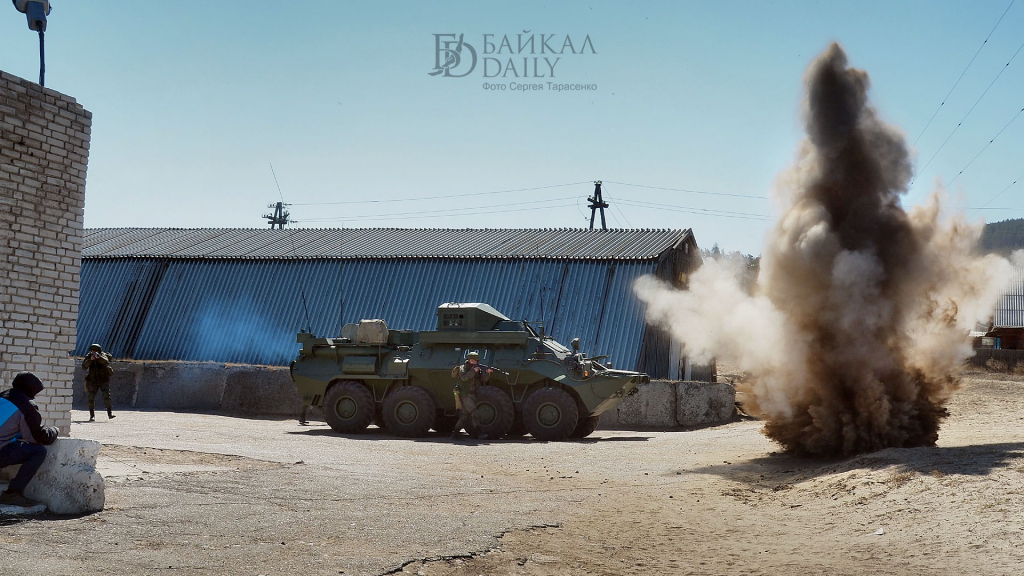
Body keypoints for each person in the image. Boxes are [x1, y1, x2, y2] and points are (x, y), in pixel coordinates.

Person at [0, 372, 58, 507]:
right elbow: (39, 437)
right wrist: (54, 430)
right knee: (38, 451)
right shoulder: (26, 405)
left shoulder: (2, 396)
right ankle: (12, 493)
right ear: (30, 389)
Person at [450, 351, 492, 440]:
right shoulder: (462, 368)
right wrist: (473, 371)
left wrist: (487, 373)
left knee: (465, 416)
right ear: (469, 360)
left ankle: (454, 434)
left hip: (473, 394)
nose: (475, 362)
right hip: (465, 394)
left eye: (476, 361)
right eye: (473, 360)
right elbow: (464, 378)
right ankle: (479, 433)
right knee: (474, 413)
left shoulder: (477, 369)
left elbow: (484, 380)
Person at [82, 343, 115, 421]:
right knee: (91, 397)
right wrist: (90, 360)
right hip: (93, 380)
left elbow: (106, 361)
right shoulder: (89, 356)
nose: (94, 352)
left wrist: (98, 358)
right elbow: (84, 366)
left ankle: (110, 414)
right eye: (92, 351)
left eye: (95, 351)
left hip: (103, 380)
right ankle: (92, 415)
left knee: (106, 396)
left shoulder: (103, 355)